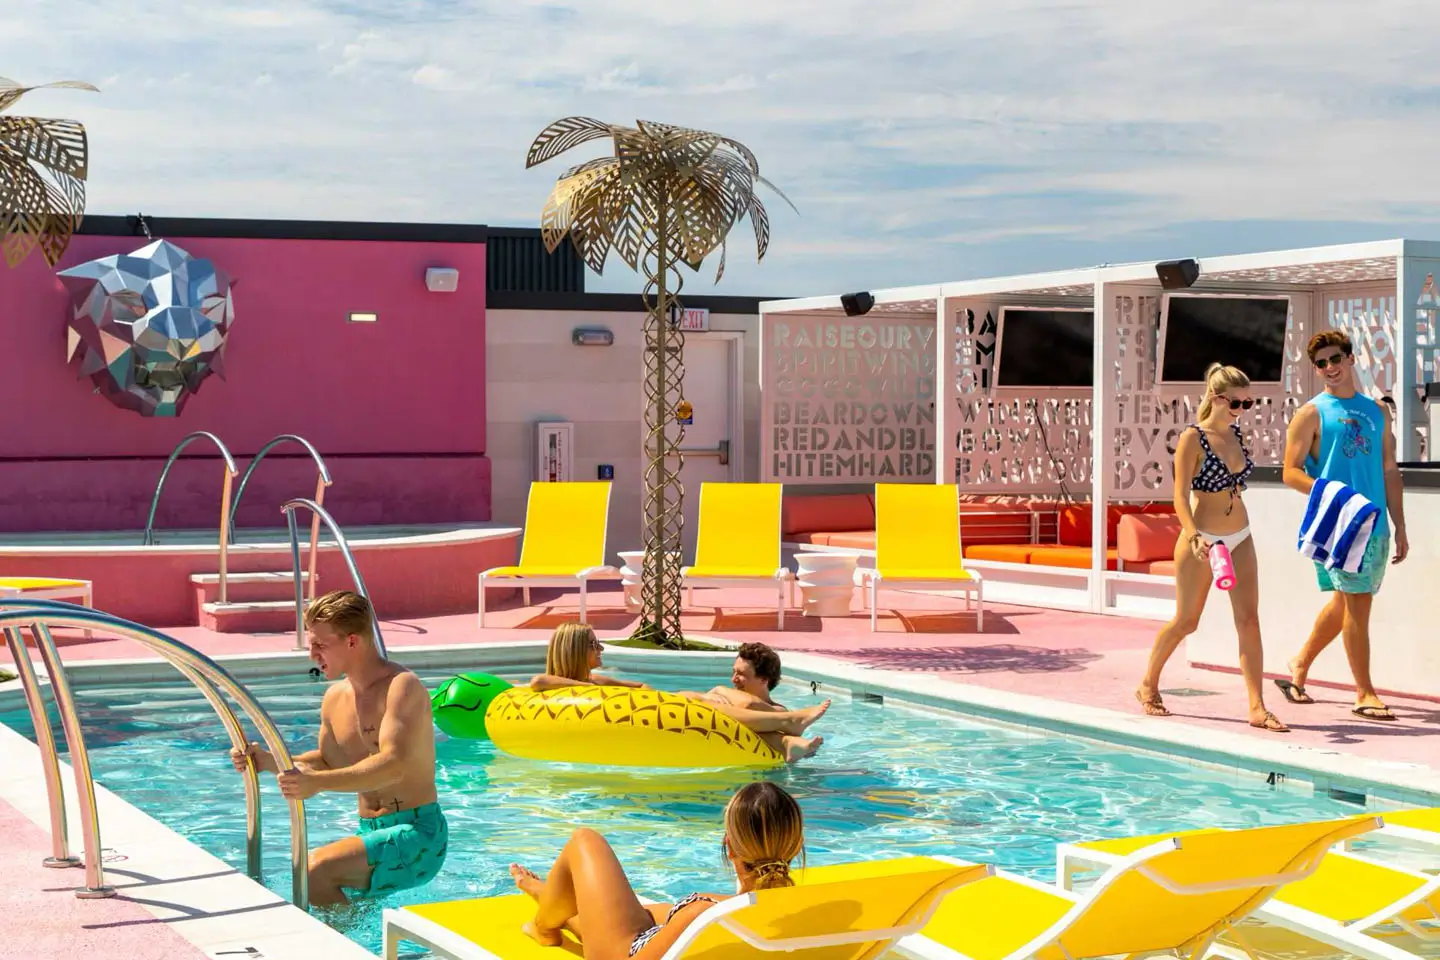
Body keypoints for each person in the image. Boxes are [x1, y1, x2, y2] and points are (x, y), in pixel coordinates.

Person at [229, 590, 445, 906]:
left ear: (353, 642)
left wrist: (316, 785)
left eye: (320, 645)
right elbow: (326, 763)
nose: (311, 655)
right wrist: (263, 760)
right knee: (316, 885)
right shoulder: (334, 698)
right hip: (370, 832)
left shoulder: (401, 687)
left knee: (315, 869)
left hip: (417, 833)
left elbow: (392, 765)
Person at [1135, 363, 1288, 733]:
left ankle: (1257, 706)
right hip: (1202, 538)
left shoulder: (1236, 436)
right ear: (1218, 398)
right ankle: (1148, 684)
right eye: (1238, 403)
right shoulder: (1192, 438)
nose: (1243, 410)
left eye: (1248, 404)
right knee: (1187, 621)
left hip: (1240, 535)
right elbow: (1178, 496)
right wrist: (1193, 535)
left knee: (1249, 621)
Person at [507, 781, 804, 958]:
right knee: (653, 913)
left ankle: (545, 924)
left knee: (586, 840)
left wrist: (688, 909)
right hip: (688, 934)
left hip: (626, 954)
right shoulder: (808, 915)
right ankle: (552, 897)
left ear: (729, 846)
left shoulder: (702, 912)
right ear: (794, 845)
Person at [1276, 331, 1408, 722]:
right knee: (1357, 604)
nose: (1330, 368)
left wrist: (1400, 524)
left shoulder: (1376, 412)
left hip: (1375, 524)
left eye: (1335, 359)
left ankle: (1299, 664)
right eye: (1321, 363)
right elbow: (1290, 472)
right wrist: (1333, 495)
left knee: (1344, 602)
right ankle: (1364, 692)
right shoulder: (1311, 413)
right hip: (1338, 525)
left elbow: (1388, 468)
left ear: (1350, 359)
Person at [528, 623, 830, 750]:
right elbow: (539, 681)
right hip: (668, 712)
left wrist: (614, 690)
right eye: (595, 645)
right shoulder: (581, 685)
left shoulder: (597, 681)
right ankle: (788, 725)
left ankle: (788, 730)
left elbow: (641, 685)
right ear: (576, 651)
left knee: (722, 705)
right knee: (732, 704)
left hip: (665, 708)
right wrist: (593, 689)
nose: (602, 649)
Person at [676, 642, 825, 762]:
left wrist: (720, 690)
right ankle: (787, 742)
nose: (733, 679)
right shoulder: (771, 714)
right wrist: (720, 689)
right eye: (733, 672)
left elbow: (747, 705)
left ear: (764, 680)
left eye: (741, 674)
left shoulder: (777, 711)